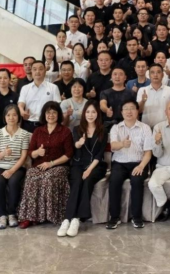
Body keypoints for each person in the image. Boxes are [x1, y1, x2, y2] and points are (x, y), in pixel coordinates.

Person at [18, 102, 73, 229]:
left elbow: (69, 154)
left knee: (48, 178)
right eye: (48, 112)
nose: (51, 115)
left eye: (54, 112)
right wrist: (37, 152)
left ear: (59, 115)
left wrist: (51, 163)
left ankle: (50, 215)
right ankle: (29, 217)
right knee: (31, 175)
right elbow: (31, 152)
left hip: (59, 166)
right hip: (39, 165)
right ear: (44, 114)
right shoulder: (38, 131)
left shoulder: (65, 131)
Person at [58, 101, 108, 237]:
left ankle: (77, 219)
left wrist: (89, 170)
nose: (90, 115)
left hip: (96, 165)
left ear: (97, 114)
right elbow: (75, 145)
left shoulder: (103, 130)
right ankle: (66, 219)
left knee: (87, 182)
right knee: (76, 183)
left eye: (93, 112)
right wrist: (79, 144)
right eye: (88, 112)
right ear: (84, 113)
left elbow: (99, 154)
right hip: (78, 164)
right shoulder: (77, 129)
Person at [107, 100, 153, 229]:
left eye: (132, 108)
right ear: (121, 112)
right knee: (114, 181)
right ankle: (114, 217)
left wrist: (141, 166)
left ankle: (136, 217)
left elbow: (148, 152)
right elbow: (113, 146)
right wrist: (122, 144)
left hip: (138, 163)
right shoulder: (116, 128)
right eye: (126, 108)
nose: (129, 111)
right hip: (119, 163)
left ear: (137, 111)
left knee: (137, 181)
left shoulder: (145, 128)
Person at [0, 104, 31, 230]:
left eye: (14, 115)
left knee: (14, 182)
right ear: (4, 117)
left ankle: (12, 214)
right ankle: (2, 215)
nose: (11, 118)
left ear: (19, 117)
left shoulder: (24, 134)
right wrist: (3, 153)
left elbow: (23, 157)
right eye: (8, 115)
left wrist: (12, 170)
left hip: (17, 167)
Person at [18, 60, 61, 133]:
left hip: (47, 124)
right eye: (34, 69)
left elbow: (57, 106)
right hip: (28, 124)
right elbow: (21, 103)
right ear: (31, 71)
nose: (37, 71)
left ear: (45, 71)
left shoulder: (53, 87)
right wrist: (22, 111)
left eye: (40, 69)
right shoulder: (25, 88)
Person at [137, 64, 170, 129]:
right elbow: (138, 111)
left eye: (158, 72)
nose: (155, 75)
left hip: (166, 127)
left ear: (163, 75)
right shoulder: (142, 90)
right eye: (152, 72)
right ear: (149, 75)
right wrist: (143, 101)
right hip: (147, 128)